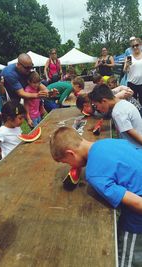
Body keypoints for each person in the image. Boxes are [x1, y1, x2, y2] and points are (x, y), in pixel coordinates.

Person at [49, 126, 142, 267]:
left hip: (137, 222)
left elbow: (138, 204)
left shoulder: (94, 173)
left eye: (66, 162)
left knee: (128, 259)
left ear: (70, 153)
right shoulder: (109, 142)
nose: (69, 166)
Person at [123, 38, 142, 105]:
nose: (135, 47)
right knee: (132, 104)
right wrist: (127, 66)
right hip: (132, 84)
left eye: (137, 45)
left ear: (140, 45)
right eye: (133, 46)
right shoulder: (129, 57)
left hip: (141, 84)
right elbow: (125, 71)